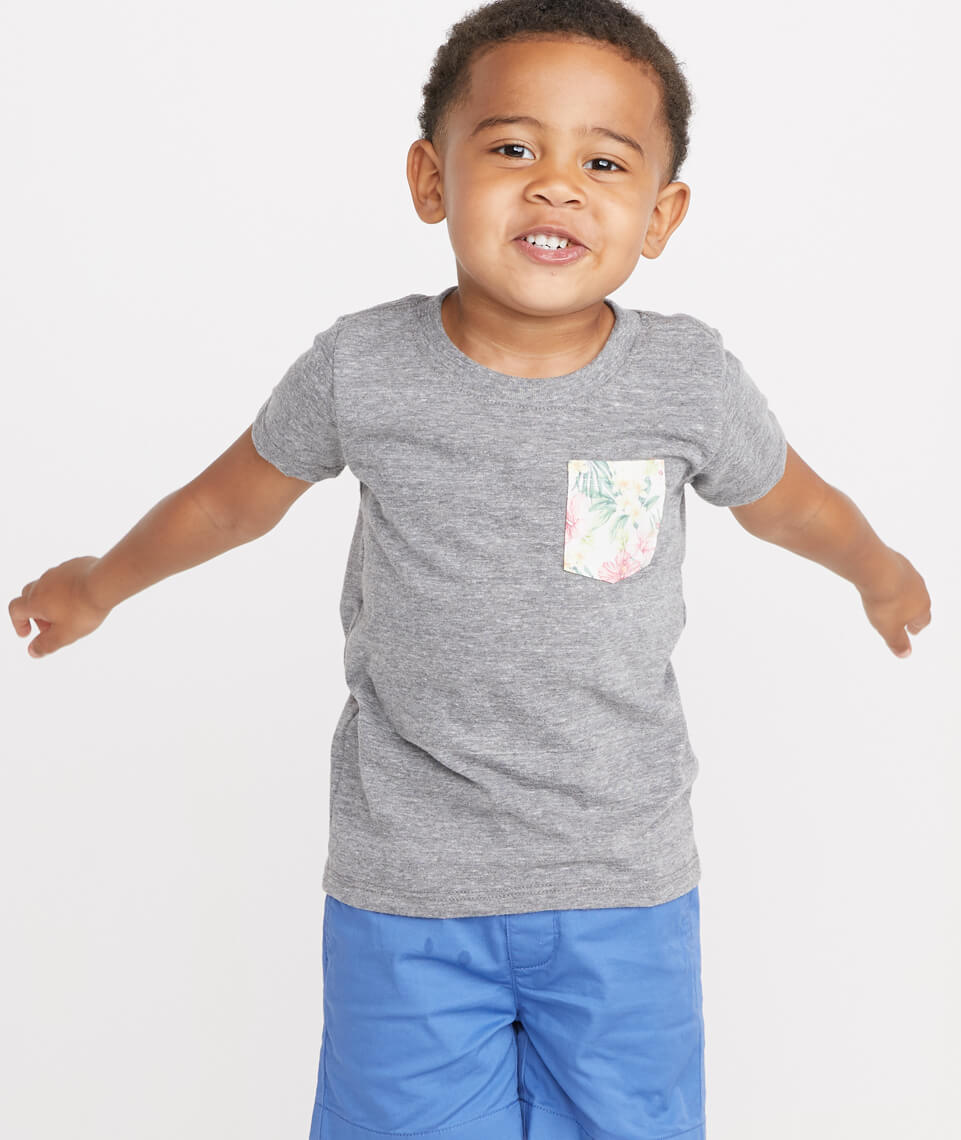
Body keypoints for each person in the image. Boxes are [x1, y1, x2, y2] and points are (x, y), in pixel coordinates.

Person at [8, 1, 932, 1138]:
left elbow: (793, 504)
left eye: (603, 162)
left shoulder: (686, 382)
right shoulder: (362, 367)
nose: (556, 187)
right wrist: (98, 582)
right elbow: (226, 503)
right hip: (409, 889)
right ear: (430, 178)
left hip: (620, 884)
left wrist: (878, 571)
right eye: (511, 148)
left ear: (661, 214)